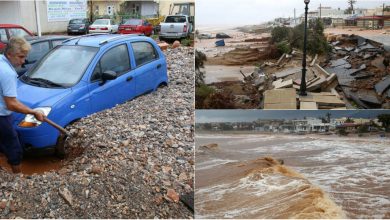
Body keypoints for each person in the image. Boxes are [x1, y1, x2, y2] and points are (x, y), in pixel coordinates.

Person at [0, 37, 45, 173]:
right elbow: (11, 104)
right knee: (15, 148)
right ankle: (17, 180)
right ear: (9, 54)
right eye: (20, 57)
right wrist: (34, 112)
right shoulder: (8, 73)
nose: (23, 61)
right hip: (1, 117)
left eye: (25, 57)